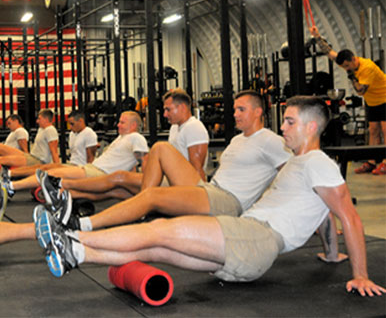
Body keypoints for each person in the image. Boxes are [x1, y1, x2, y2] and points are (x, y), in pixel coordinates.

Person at [34, 95, 386, 297]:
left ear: (311, 127)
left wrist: (361, 274)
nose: (283, 127)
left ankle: (74, 234)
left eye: (290, 122)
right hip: (246, 239)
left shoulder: (319, 162)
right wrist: (331, 254)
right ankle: (77, 254)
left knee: (159, 231)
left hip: (256, 238)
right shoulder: (301, 163)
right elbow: (325, 213)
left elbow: (348, 215)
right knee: (157, 249)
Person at [0, 90, 291, 250]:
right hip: (209, 189)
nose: (235, 113)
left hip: (223, 200)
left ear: (258, 111)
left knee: (131, 181)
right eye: (235, 108)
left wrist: (264, 215)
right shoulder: (239, 139)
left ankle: (84, 222)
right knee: (146, 162)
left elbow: (293, 178)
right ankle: (67, 195)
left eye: (241, 109)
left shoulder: (270, 140)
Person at [26, 88, 209, 202]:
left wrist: (200, 199)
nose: (166, 114)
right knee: (116, 190)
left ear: (183, 107)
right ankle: (61, 192)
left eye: (168, 110)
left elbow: (197, 168)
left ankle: (58, 186)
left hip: (182, 185)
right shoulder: (175, 129)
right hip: (168, 178)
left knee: (119, 178)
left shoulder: (194, 127)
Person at [0, 111, 148, 200]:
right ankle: (11, 183)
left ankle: (11, 186)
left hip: (98, 172)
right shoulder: (122, 138)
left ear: (133, 125)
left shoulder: (136, 138)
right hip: (93, 168)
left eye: (122, 122)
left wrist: (147, 187)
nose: (118, 125)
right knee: (52, 173)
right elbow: (132, 164)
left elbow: (144, 162)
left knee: (51, 173)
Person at [310, 25, 386, 175]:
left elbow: (359, 91)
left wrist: (351, 77)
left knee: (385, 129)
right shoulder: (348, 62)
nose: (345, 68)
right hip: (372, 102)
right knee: (373, 131)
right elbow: (329, 52)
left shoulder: (367, 68)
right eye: (343, 67)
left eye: (347, 66)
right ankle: (371, 162)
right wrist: (317, 37)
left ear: (353, 59)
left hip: (384, 99)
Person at [8, 110, 98, 179]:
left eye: (72, 124)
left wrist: (88, 176)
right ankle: (8, 174)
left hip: (80, 168)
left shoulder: (89, 133)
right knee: (43, 168)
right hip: (72, 164)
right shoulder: (72, 134)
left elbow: (90, 158)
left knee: (46, 168)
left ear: (81, 121)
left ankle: (10, 180)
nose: (70, 127)